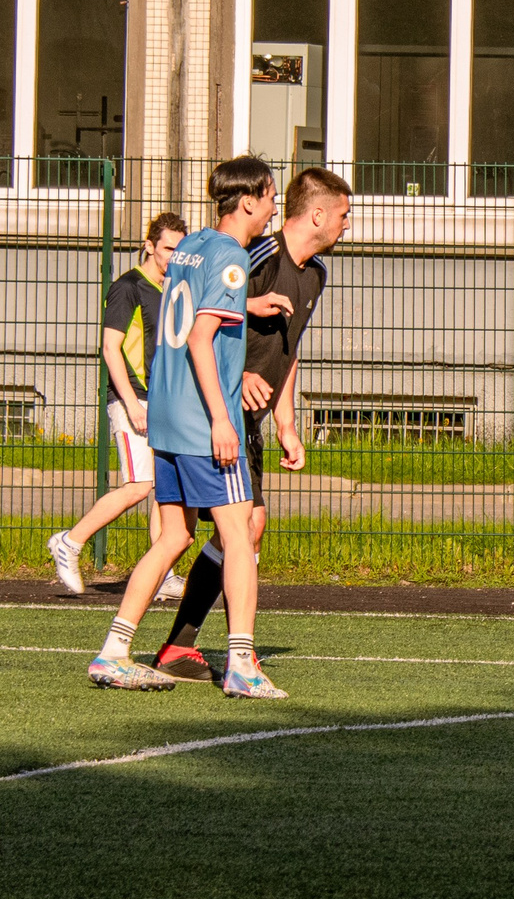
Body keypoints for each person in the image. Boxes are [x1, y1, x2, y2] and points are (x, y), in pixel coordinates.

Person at [87, 156, 282, 699]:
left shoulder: (193, 245)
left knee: (173, 536)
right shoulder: (232, 256)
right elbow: (199, 337)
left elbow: (190, 309)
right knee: (238, 535)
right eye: (270, 196)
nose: (273, 207)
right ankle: (241, 663)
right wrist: (224, 419)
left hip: (168, 417)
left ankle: (114, 653)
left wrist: (248, 302)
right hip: (204, 423)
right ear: (248, 200)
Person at [153, 168, 349, 682]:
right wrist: (235, 374)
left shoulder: (316, 274)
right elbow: (208, 322)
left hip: (248, 420)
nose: (348, 225)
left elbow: (290, 348)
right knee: (229, 529)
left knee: (241, 528)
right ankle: (224, 653)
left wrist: (286, 423)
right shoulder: (255, 255)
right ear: (320, 214)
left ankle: (180, 645)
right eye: (345, 215)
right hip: (215, 412)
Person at [48, 212, 190, 598]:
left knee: (164, 487)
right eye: (167, 249)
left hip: (164, 402)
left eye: (181, 251)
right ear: (149, 245)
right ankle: (70, 542)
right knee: (139, 484)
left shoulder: (175, 287)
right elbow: (110, 348)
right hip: (133, 400)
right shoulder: (127, 287)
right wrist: (132, 403)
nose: (173, 258)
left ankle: (163, 572)